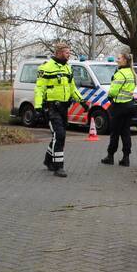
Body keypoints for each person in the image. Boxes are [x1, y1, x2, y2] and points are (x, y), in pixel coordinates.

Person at [35, 42, 88, 177]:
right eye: (66, 52)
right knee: (60, 135)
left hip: (64, 107)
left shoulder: (68, 68)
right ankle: (59, 166)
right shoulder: (46, 68)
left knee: (57, 136)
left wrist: (82, 101)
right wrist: (38, 106)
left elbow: (72, 88)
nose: (68, 54)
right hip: (52, 108)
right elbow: (40, 88)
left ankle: (48, 160)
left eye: (69, 52)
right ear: (58, 53)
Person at [101, 51, 137, 167]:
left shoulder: (120, 73)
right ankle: (126, 158)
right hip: (129, 106)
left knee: (114, 133)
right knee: (126, 133)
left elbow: (113, 91)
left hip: (119, 107)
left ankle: (110, 156)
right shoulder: (131, 73)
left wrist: (110, 97)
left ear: (125, 60)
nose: (117, 60)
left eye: (119, 58)